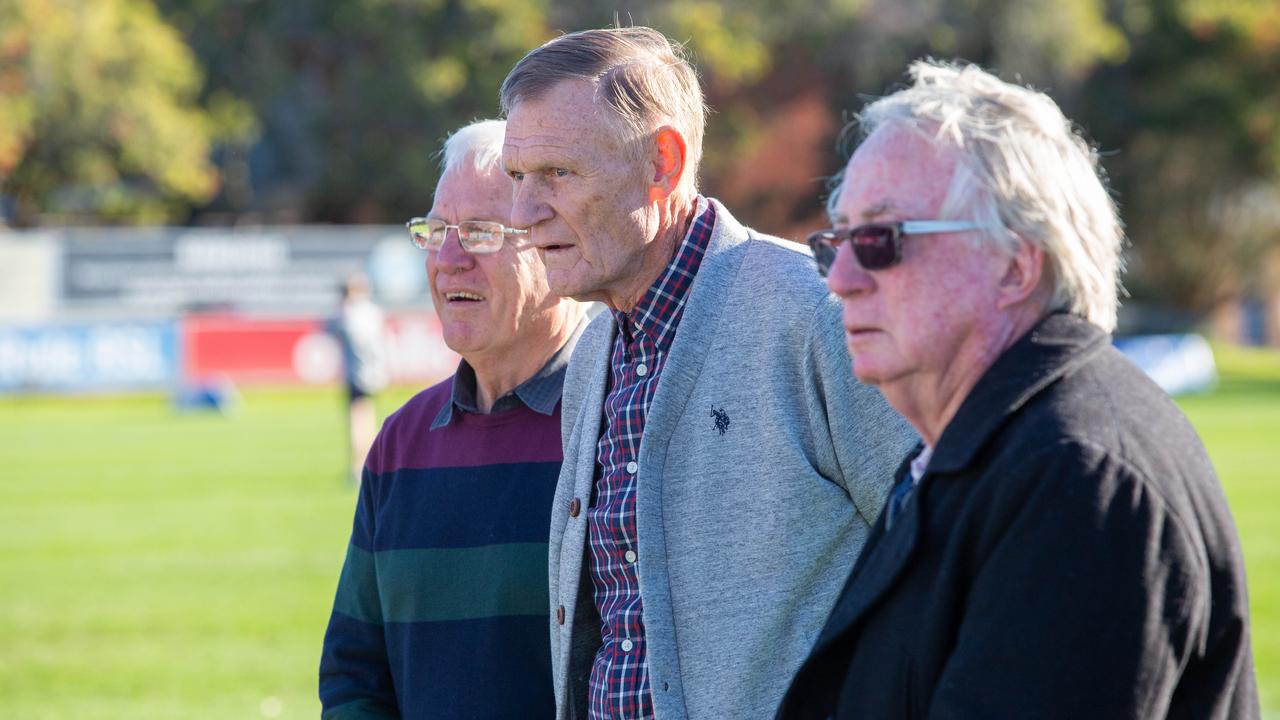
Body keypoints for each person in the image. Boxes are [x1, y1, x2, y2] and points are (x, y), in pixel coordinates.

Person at [776, 60, 1259, 719]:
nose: (841, 280)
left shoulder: (1076, 475)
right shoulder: (979, 446)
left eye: (880, 239)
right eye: (838, 241)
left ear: (1015, 265)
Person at [500, 27, 917, 720]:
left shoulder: (819, 315)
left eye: (558, 174)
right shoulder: (594, 348)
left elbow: (962, 553)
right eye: (519, 177)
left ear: (663, 161)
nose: (523, 213)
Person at [318, 119, 586, 719]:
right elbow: (354, 674)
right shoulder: (402, 442)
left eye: (482, 233)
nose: (448, 258)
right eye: (436, 230)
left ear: (556, 244)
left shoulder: (621, 423)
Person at [330, 272, 388, 485]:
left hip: (357, 374)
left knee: (357, 421)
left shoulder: (347, 314)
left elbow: (328, 328)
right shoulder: (373, 312)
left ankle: (358, 466)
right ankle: (369, 464)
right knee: (368, 417)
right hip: (375, 373)